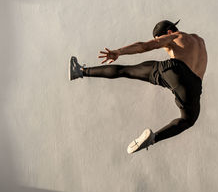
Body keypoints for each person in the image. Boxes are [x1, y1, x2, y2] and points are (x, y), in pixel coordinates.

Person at [69, 19, 207, 154]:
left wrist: (119, 51)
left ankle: (80, 72)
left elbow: (144, 46)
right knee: (188, 120)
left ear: (169, 32)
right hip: (194, 86)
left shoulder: (174, 36)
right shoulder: (199, 40)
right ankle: (153, 138)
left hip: (176, 70)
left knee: (126, 70)